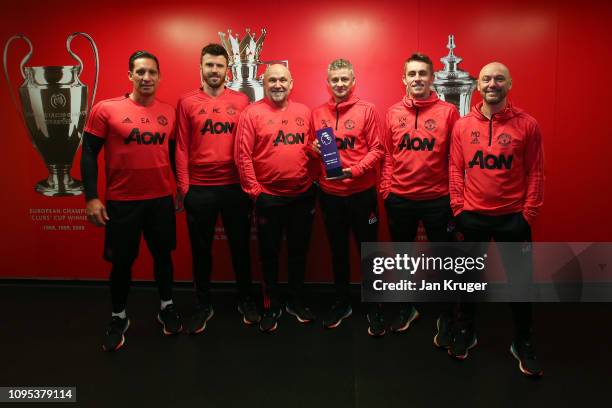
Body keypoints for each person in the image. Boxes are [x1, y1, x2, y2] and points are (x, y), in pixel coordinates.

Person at [81, 50, 180, 352]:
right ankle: (119, 316)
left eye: (152, 72)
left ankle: (166, 306)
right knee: (122, 262)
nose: (146, 78)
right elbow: (88, 154)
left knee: (163, 256)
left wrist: (179, 188)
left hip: (161, 199)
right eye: (140, 72)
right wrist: (91, 197)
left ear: (159, 76)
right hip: (122, 202)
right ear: (130, 75)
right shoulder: (106, 109)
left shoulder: (169, 111)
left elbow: (173, 155)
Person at [449, 62, 544, 376]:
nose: (492, 83)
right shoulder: (463, 126)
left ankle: (523, 340)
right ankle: (467, 330)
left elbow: (536, 172)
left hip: (512, 219)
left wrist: (527, 215)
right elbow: (454, 170)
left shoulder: (527, 124)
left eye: (499, 78)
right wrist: (459, 209)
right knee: (468, 281)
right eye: (487, 79)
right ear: (478, 85)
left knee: (520, 284)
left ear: (509, 83)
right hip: (472, 217)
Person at [175, 43, 259, 334]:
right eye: (209, 65)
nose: (214, 70)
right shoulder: (186, 102)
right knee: (201, 251)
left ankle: (246, 299)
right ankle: (203, 304)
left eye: (219, 65)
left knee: (240, 248)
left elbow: (249, 146)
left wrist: (249, 184)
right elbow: (182, 147)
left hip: (235, 188)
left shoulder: (241, 101)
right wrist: (184, 188)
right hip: (200, 189)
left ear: (228, 69)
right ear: (201, 67)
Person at [380, 53, 460, 336]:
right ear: (404, 79)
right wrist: (387, 190)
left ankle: (447, 314)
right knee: (403, 259)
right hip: (400, 198)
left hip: (438, 200)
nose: (417, 78)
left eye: (422, 73)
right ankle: (407, 307)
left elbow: (455, 157)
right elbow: (388, 154)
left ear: (431, 78)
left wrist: (454, 196)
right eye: (412, 74)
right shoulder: (392, 113)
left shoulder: (448, 112)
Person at [235, 64, 317, 333]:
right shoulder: (251, 113)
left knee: (298, 252)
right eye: (272, 80)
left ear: (291, 83)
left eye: (283, 80)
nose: (278, 84)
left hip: (301, 195)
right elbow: (243, 155)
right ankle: (272, 304)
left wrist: (313, 151)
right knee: (269, 255)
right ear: (264, 83)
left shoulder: (305, 112)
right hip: (268, 197)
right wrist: (255, 192)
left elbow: (308, 147)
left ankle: (295, 300)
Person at [311, 59, 384, 334]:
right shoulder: (318, 113)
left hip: (361, 194)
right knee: (338, 251)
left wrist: (353, 171)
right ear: (328, 83)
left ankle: (374, 305)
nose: (340, 84)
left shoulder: (368, 110)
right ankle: (342, 301)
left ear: (353, 81)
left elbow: (377, 150)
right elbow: (310, 146)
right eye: (335, 80)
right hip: (330, 195)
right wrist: (313, 147)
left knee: (369, 252)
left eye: (345, 79)